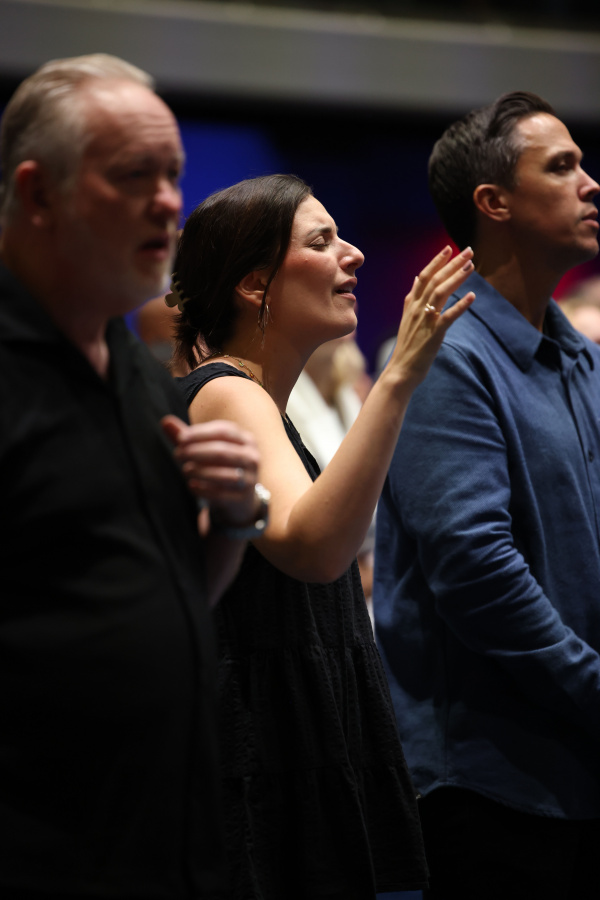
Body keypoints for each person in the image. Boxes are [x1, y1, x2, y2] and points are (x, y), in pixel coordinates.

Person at [0, 54, 266, 898]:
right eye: (133, 176)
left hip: (168, 849)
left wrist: (232, 519)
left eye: (174, 176)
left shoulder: (138, 371)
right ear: (38, 193)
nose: (168, 202)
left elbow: (177, 594)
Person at [167, 172, 476, 899]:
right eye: (322, 240)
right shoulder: (226, 389)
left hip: (285, 723)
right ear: (255, 285)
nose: (355, 253)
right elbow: (315, 549)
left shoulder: (257, 399)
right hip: (258, 738)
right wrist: (398, 377)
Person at [373, 91, 600, 899]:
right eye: (562, 166)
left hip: (577, 774)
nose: (591, 184)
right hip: (491, 791)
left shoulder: (578, 357)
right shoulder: (447, 354)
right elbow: (475, 569)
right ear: (493, 203)